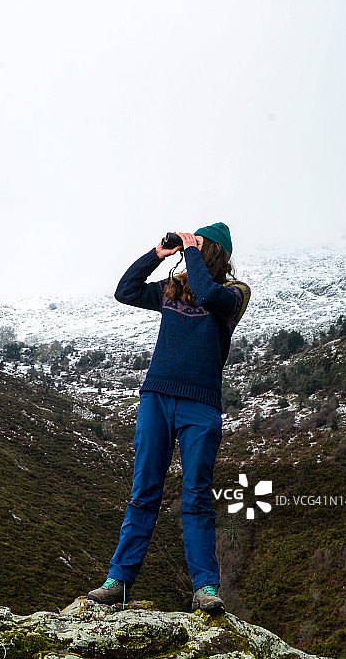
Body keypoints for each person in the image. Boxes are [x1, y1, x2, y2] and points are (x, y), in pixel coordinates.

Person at [87, 222, 251, 613]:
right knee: (143, 493)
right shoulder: (171, 289)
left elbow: (210, 294)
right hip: (156, 398)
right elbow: (125, 291)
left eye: (199, 244)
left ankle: (206, 588)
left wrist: (191, 250)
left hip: (201, 405)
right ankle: (118, 582)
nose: (190, 248)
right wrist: (156, 256)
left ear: (213, 251)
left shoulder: (235, 293)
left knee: (196, 496)